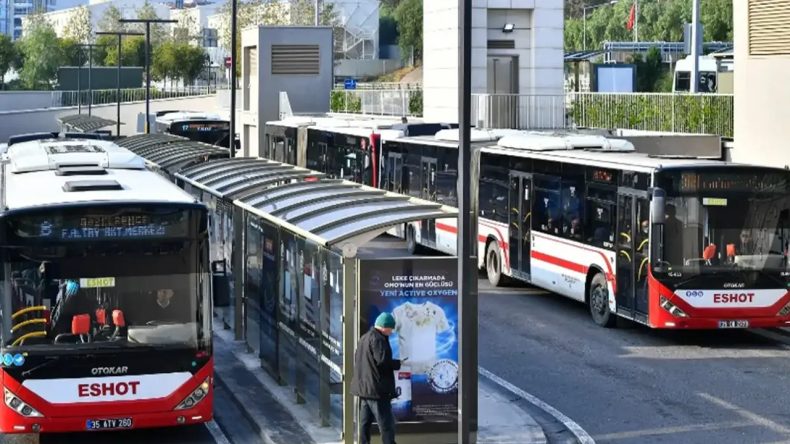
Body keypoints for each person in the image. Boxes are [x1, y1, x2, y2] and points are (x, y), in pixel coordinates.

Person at [351, 312, 402, 444]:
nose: (391, 332)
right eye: (390, 328)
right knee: (386, 424)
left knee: (365, 423)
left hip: (364, 389)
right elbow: (382, 362)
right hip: (377, 391)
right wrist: (398, 363)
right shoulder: (379, 339)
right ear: (384, 327)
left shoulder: (364, 338)